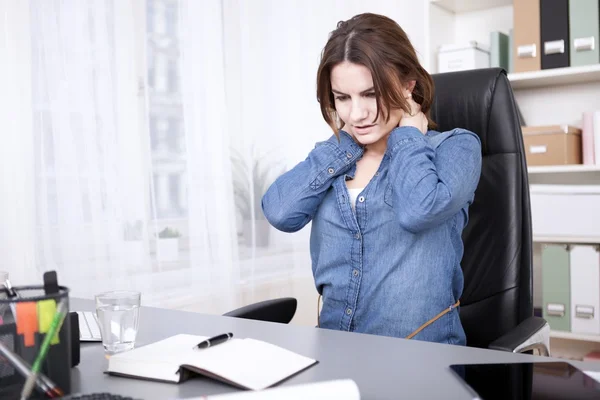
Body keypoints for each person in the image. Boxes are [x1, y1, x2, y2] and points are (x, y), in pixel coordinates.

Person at [261, 13, 482, 345]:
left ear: (409, 86)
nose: (356, 114)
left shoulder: (456, 148)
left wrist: (407, 133)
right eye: (343, 98)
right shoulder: (336, 160)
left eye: (371, 94)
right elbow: (280, 212)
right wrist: (345, 145)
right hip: (336, 355)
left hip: (420, 366)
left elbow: (418, 210)